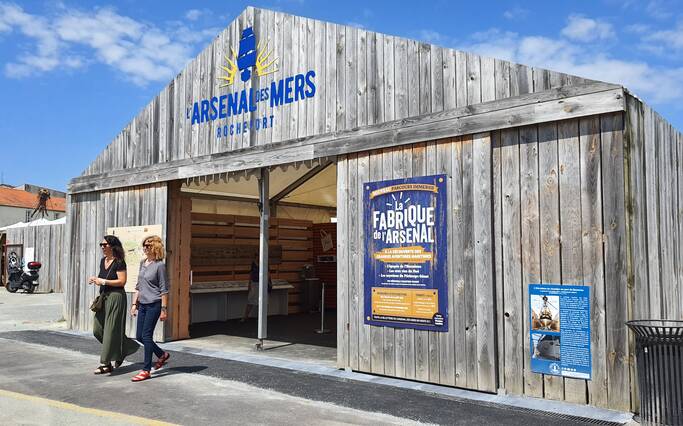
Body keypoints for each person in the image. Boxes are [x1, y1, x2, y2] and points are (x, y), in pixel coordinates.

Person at [89, 235, 139, 374]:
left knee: (111, 331)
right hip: (104, 297)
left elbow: (122, 281)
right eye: (101, 245)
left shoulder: (119, 262)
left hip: (116, 297)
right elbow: (103, 277)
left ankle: (105, 364)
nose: (103, 247)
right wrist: (96, 280)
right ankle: (125, 348)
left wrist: (103, 281)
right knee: (98, 330)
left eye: (105, 245)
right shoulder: (102, 261)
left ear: (113, 246)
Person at [130, 235, 171, 382]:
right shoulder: (143, 263)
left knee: (146, 336)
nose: (145, 248)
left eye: (148, 245)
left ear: (156, 247)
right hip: (143, 304)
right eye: (144, 245)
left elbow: (164, 289)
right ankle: (162, 355)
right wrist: (134, 304)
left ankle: (146, 369)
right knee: (140, 336)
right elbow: (138, 286)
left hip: (154, 304)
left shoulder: (160, 265)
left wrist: (164, 309)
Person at [241, 254, 272, 322]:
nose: (258, 258)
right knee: (250, 300)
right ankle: (245, 317)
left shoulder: (265, 263)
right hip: (254, 284)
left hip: (263, 284)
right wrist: (249, 284)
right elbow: (251, 274)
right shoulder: (253, 264)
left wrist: (267, 283)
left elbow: (268, 274)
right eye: (257, 256)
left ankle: (261, 318)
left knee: (263, 301)